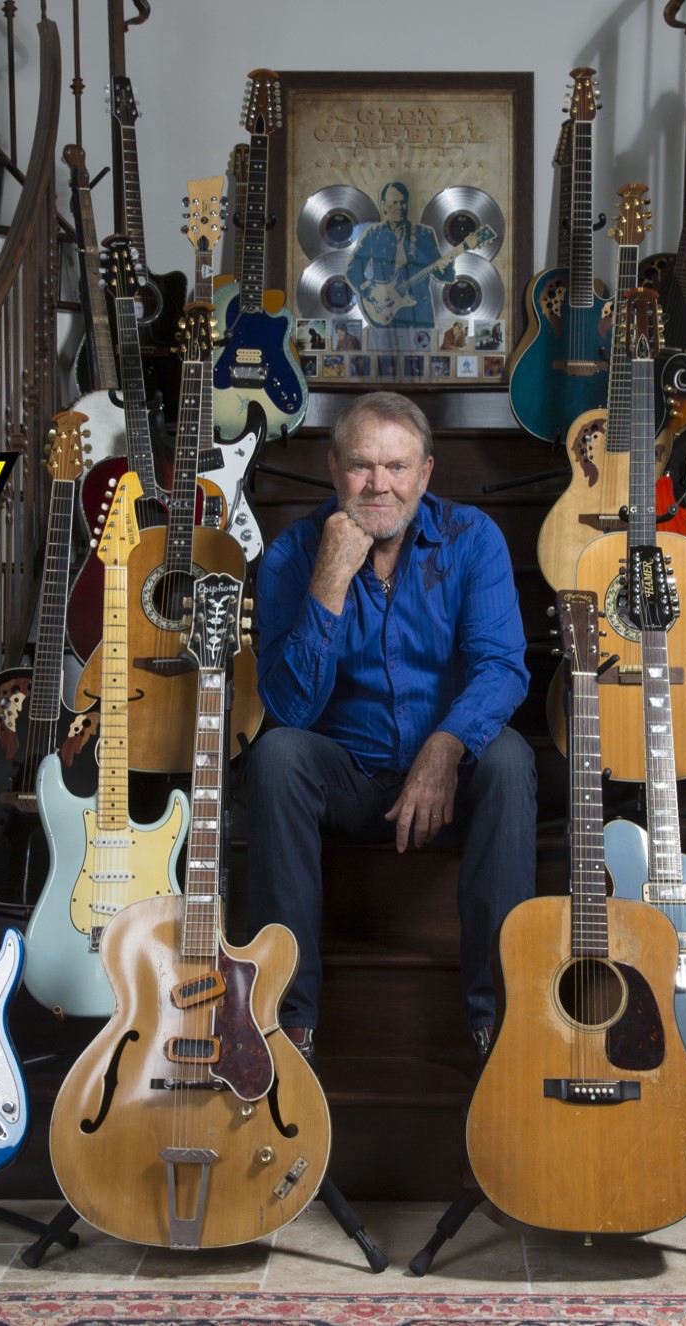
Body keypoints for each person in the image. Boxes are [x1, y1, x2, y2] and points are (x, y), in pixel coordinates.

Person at [244, 391, 536, 1066]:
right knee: (277, 756)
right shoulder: (293, 556)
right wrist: (329, 579)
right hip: (347, 780)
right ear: (332, 468)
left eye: (397, 467)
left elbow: (501, 668)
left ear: (426, 474)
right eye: (361, 466)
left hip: (449, 784)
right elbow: (288, 707)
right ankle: (288, 1023)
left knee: (513, 759)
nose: (379, 484)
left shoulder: (472, 540)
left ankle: (501, 1020)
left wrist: (445, 744)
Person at [345, 182, 455, 330]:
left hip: (419, 312)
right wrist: (370, 291)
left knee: (423, 352)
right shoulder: (373, 234)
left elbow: (442, 275)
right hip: (383, 307)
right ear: (383, 205)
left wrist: (447, 267)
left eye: (403, 203)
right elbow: (353, 270)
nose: (400, 208)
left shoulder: (423, 234)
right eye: (394, 203)